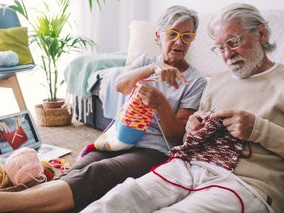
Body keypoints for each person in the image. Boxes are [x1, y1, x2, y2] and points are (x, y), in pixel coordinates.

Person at [0, 5, 207, 212]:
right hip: (120, 138)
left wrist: (161, 103)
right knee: (81, 166)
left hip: (153, 151)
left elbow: (176, 138)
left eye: (187, 36)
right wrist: (153, 68)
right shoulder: (145, 61)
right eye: (172, 34)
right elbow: (122, 85)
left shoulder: (195, 81)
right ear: (158, 36)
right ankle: (26, 202)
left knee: (98, 173)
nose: (178, 42)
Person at [81, 3, 283, 213]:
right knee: (118, 199)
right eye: (220, 47)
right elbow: (189, 141)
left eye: (233, 42)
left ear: (261, 34)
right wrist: (192, 129)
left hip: (245, 183)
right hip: (189, 166)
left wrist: (258, 129)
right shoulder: (217, 82)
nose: (227, 55)